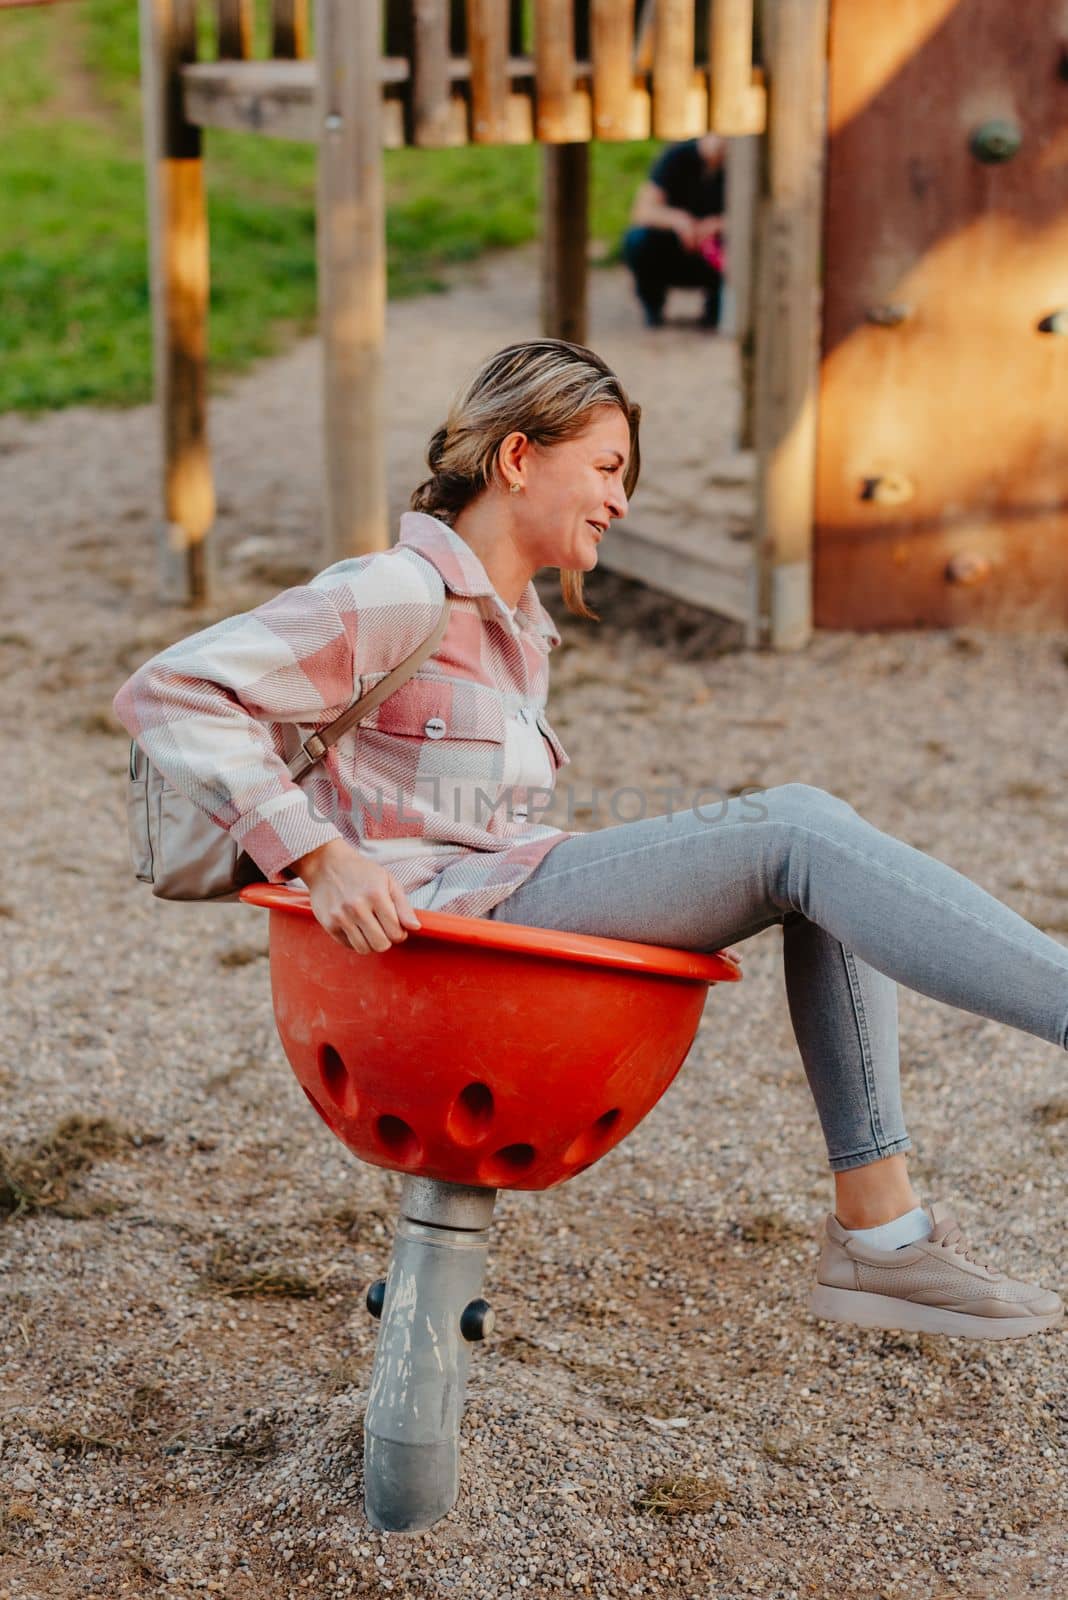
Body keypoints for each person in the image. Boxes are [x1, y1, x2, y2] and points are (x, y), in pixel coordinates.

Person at [114, 338, 1066, 1343]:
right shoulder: (397, 593)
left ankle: (882, 1237)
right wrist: (316, 851)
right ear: (519, 457)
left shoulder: (517, 632)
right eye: (607, 468)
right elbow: (166, 689)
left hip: (482, 923)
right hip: (436, 950)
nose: (620, 500)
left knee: (819, 861)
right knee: (794, 825)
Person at [622, 133, 727, 329]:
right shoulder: (678, 157)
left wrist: (718, 224)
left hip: (718, 254)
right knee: (638, 239)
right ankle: (653, 305)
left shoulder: (742, 168)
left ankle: (717, 310)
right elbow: (642, 210)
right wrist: (679, 221)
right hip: (676, 248)